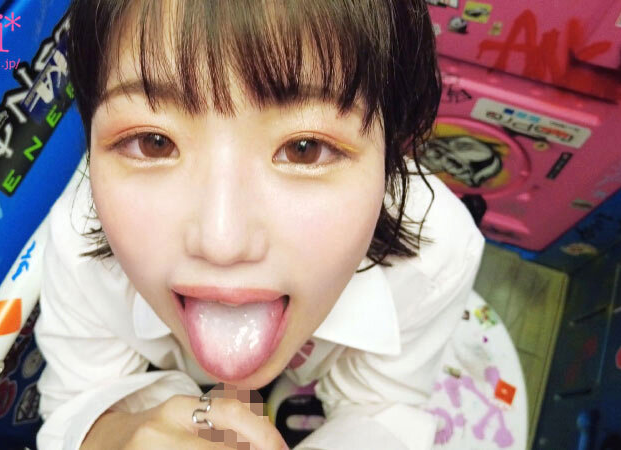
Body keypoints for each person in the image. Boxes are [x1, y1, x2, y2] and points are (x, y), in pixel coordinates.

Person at [34, 0, 485, 449]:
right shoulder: (79, 246)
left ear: (391, 152)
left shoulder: (434, 257)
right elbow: (79, 399)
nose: (222, 243)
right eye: (154, 143)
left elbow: (383, 404)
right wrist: (114, 437)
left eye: (305, 148)